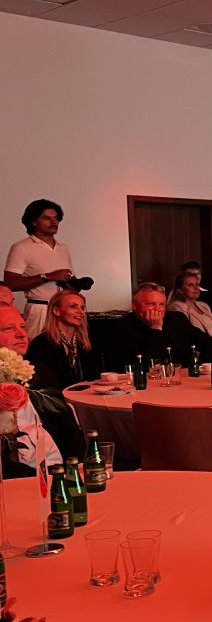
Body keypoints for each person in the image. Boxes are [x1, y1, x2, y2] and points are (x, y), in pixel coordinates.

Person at [0, 305, 85, 477]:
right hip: (14, 477)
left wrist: (76, 466)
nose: (21, 334)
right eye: (9, 328)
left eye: (22, 327)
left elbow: (67, 426)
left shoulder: (40, 372)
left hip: (56, 468)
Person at [4, 199, 76, 339]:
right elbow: (10, 283)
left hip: (63, 310)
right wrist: (47, 277)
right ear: (33, 222)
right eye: (47, 218)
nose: (53, 222)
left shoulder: (63, 248)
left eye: (56, 218)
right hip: (39, 309)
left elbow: (69, 281)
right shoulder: (22, 247)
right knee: (36, 349)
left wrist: (75, 284)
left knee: (64, 348)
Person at [117, 282, 212, 366]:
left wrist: (198, 366)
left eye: (161, 304)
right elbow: (145, 366)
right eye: (151, 304)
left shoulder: (176, 319)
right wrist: (155, 328)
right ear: (134, 305)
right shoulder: (123, 327)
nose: (157, 309)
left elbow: (211, 344)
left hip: (184, 377)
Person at [25, 289, 101, 388]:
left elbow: (94, 377)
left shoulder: (83, 342)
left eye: (82, 308)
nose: (81, 312)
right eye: (73, 306)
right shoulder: (42, 343)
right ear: (56, 311)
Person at [167, 270, 212, 338]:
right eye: (190, 285)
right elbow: (185, 333)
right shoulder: (176, 307)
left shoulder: (203, 305)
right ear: (180, 290)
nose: (196, 288)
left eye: (197, 284)